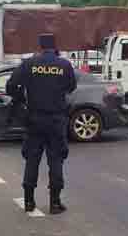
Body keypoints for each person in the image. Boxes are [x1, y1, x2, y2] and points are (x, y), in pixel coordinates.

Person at [7, 33, 77, 215]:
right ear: (55, 47)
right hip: (56, 119)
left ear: (40, 46)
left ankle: (29, 202)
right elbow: (71, 87)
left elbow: (11, 85)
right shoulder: (64, 65)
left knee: (32, 159)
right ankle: (55, 203)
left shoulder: (29, 64)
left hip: (34, 119)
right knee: (56, 160)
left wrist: (21, 99)